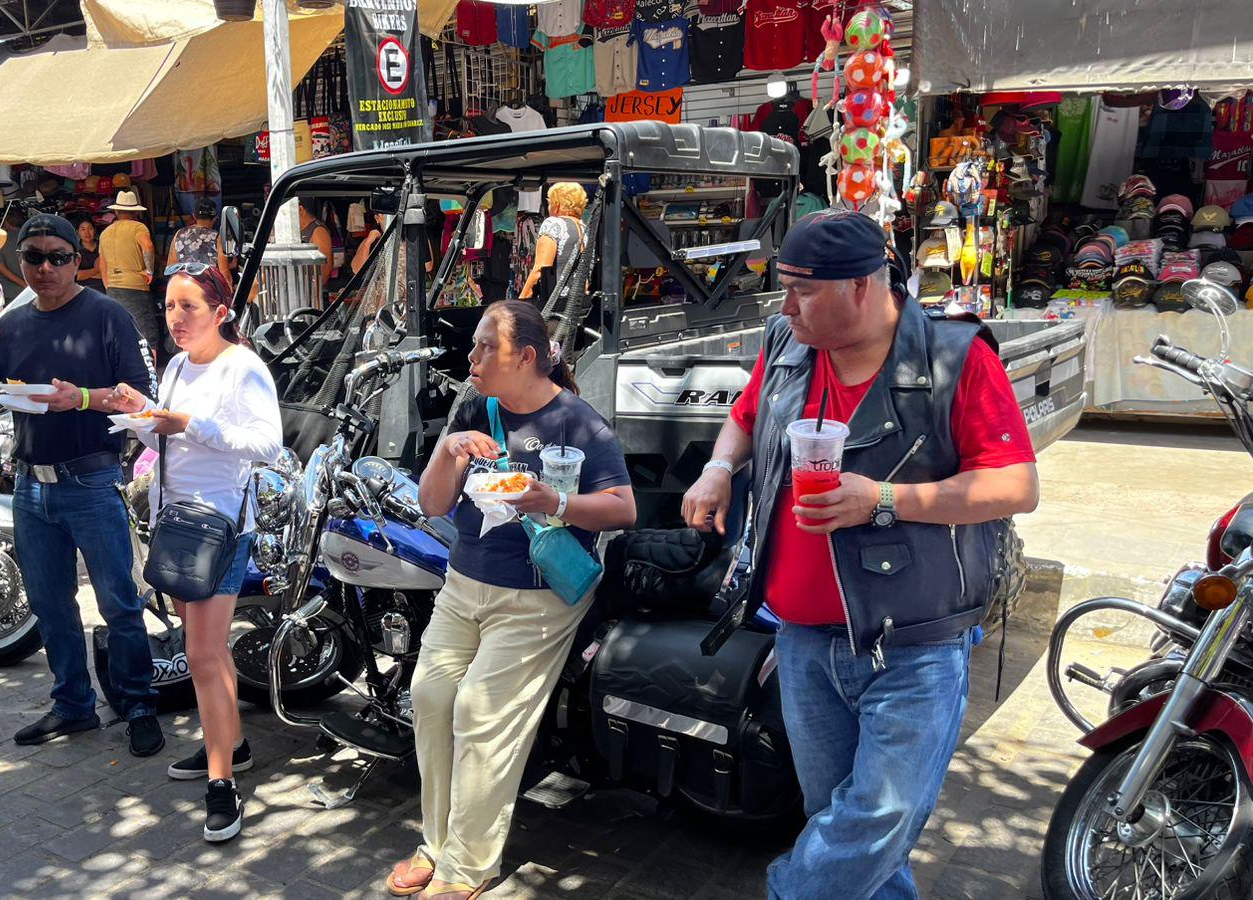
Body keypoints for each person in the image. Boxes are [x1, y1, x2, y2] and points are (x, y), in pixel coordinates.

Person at [680, 210, 1039, 900]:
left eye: (803, 290)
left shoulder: (954, 358)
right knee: (847, 831)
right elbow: (747, 417)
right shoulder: (787, 340)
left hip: (913, 645)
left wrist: (883, 498)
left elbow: (1015, 485)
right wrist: (720, 468)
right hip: (804, 640)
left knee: (875, 822)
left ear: (865, 287)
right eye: (782, 288)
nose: (785, 306)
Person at [388, 300, 636, 899]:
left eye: (483, 348)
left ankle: (468, 865)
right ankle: (437, 842)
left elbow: (624, 508)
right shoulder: (479, 408)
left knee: (478, 709)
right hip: (464, 584)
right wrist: (450, 451)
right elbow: (433, 504)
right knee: (430, 694)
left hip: (536, 595)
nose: (470, 358)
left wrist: (555, 502)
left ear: (525, 357)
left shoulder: (579, 423)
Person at [0, 214, 165, 757]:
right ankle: (73, 704)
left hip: (91, 479)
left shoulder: (106, 316)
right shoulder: (11, 325)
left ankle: (137, 703)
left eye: (58, 257)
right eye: (33, 257)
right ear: (18, 263)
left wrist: (80, 398)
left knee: (117, 600)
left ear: (75, 260)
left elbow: (142, 397)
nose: (44, 267)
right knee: (49, 602)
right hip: (30, 486)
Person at [109, 262, 281, 843]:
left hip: (220, 528)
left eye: (189, 307)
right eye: (170, 306)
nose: (176, 318)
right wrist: (144, 415)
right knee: (208, 652)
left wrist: (190, 422)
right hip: (176, 524)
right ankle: (231, 743)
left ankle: (221, 783)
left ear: (221, 313)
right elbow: (168, 437)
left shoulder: (244, 368)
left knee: (203, 656)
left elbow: (267, 444)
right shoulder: (178, 365)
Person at [100, 190, 161, 354]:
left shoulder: (105, 233)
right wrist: (149, 271)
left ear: (116, 211)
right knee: (147, 335)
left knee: (122, 335)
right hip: (135, 288)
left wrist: (109, 285)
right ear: (135, 212)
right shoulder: (138, 227)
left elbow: (102, 264)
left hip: (112, 288)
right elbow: (147, 246)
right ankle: (151, 377)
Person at [519, 181, 588, 302]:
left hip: (556, 304)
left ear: (556, 204)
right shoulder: (583, 228)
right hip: (579, 302)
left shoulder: (553, 224)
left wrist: (521, 300)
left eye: (550, 203)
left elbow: (540, 269)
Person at [166, 199, 233, 285]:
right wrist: (229, 290)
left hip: (182, 287)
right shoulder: (217, 237)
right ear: (215, 218)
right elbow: (224, 272)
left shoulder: (179, 234)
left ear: (194, 216)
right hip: (207, 290)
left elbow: (171, 266)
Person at [298, 200, 335, 285]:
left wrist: (313, 293)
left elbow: (324, 268)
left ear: (300, 209)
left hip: (311, 293)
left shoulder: (318, 231)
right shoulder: (299, 230)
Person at [76, 219, 104, 293]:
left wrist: (87, 274)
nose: (87, 232)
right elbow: (77, 275)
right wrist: (97, 270)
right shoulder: (75, 250)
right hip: (85, 290)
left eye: (90, 229)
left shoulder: (104, 245)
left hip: (106, 287)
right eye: (83, 229)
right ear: (78, 232)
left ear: (94, 230)